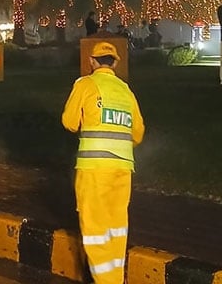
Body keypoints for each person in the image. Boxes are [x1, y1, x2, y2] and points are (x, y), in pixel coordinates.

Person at [61, 41, 145, 284]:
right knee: (117, 229)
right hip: (123, 170)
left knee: (96, 231)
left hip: (94, 170)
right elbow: (137, 133)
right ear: (115, 63)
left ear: (92, 61)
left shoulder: (85, 84)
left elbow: (69, 121)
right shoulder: (126, 91)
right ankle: (115, 278)